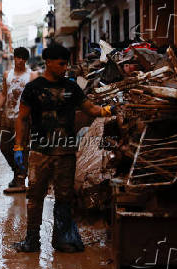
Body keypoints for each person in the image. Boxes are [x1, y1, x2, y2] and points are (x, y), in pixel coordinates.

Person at [13, 43, 115, 252]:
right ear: (48, 62)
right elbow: (22, 118)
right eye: (61, 64)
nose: (65, 67)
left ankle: (61, 240)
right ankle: (32, 241)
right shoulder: (33, 88)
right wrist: (18, 147)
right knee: (34, 198)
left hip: (66, 153)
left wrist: (108, 109)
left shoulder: (71, 87)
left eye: (66, 63)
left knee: (63, 198)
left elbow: (91, 109)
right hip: (40, 152)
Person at [0, 47, 39, 192]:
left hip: (24, 118)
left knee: (22, 148)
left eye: (22, 58)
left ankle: (20, 179)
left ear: (26, 60)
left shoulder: (32, 76)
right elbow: (3, 93)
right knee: (4, 147)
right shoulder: (8, 74)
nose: (19, 60)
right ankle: (17, 172)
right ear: (14, 58)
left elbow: (37, 97)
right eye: (17, 57)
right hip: (8, 117)